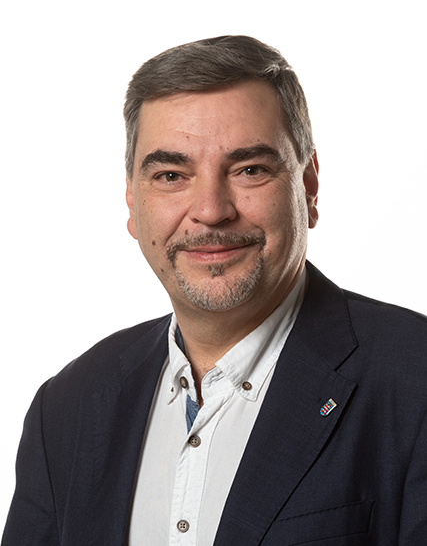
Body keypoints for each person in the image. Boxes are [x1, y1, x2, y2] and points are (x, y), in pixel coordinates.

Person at [2, 35, 427, 546]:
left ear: (309, 186)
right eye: (171, 175)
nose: (210, 210)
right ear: (133, 203)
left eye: (250, 170)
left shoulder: (415, 380)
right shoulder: (67, 408)